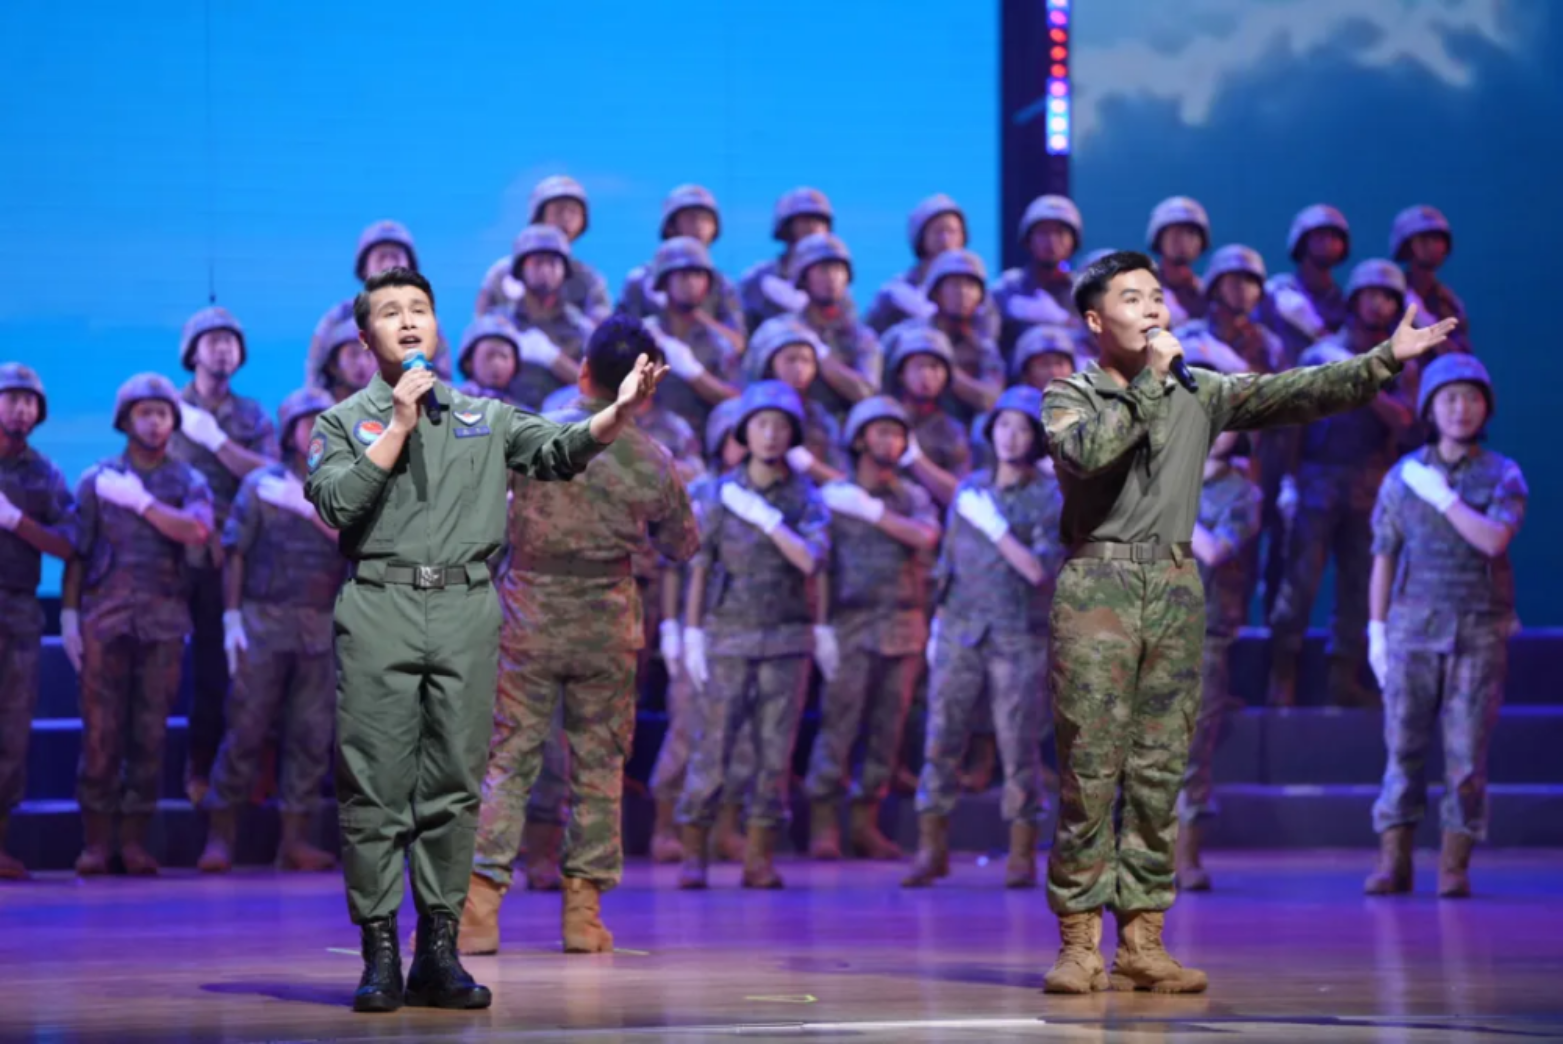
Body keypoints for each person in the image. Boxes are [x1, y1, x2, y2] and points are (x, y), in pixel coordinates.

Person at [1039, 250, 1458, 995]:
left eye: (1158, 295)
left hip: (1174, 584)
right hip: (1098, 583)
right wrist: (1152, 384)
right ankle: (1078, 942)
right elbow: (1087, 455)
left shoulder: (1199, 391)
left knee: (1159, 768)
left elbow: (1295, 391)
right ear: (1095, 320)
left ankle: (1142, 939)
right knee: (1090, 770)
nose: (1153, 308)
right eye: (1132, 298)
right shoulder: (1069, 395)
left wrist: (1384, 360)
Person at [303, 266, 666, 1013]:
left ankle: (439, 951)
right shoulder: (340, 422)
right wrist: (398, 425)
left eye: (420, 309)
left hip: (466, 605)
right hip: (381, 602)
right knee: (376, 785)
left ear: (438, 327)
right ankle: (380, 951)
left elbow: (562, 448)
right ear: (366, 337)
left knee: (455, 781)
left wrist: (616, 413)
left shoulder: (482, 416)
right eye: (391, 312)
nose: (409, 320)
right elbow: (337, 504)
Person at [463, 316, 698, 954]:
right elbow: (682, 544)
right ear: (645, 387)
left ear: (584, 370)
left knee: (507, 761)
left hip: (527, 617)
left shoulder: (530, 436)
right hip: (606, 623)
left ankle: (477, 913)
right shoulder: (652, 458)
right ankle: (582, 917)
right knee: (598, 766)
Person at [1365, 355, 1523, 899]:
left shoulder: (1502, 474)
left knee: (1465, 757)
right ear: (1430, 409)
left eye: (1472, 398)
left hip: (1478, 633)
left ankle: (1455, 864)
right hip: (1411, 632)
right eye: (1449, 398)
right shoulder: (1403, 476)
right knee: (1402, 751)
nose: (1461, 409)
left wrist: (1445, 498)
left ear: (1486, 408)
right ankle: (1394, 862)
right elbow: (1384, 555)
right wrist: (1376, 630)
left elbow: (1493, 540)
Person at [902, 385, 1062, 890]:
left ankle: (1022, 851)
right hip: (961, 630)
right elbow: (948, 563)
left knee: (1018, 745)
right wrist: (937, 624)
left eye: (1022, 428)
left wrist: (996, 529)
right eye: (1003, 426)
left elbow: (1039, 570)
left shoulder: (1049, 497)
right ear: (990, 432)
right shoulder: (971, 487)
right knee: (941, 737)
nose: (1011, 437)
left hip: (1018, 635)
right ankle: (932, 848)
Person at [676, 381, 830, 891]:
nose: (770, 434)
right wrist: (690, 632)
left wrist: (767, 520)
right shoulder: (716, 494)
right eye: (761, 424)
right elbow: (699, 567)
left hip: (785, 640)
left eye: (780, 425)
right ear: (744, 431)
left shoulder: (805, 498)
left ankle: (759, 857)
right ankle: (694, 851)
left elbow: (810, 560)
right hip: (728, 636)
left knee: (774, 753)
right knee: (712, 747)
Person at [63, 374, 214, 877]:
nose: (154, 422)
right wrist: (68, 616)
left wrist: (141, 503)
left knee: (149, 738)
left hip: (163, 623)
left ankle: (132, 842)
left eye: (163, 413)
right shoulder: (97, 479)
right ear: (125, 420)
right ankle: (96, 841)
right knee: (101, 736)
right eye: (144, 413)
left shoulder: (188, 480)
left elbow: (197, 530)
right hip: (104, 621)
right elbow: (78, 552)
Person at [198, 388, 343, 873]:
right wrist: (231, 617)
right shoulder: (260, 485)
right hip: (264, 621)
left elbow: (363, 546)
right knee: (246, 727)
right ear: (289, 433)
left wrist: (310, 509)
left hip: (321, 623)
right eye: (308, 423)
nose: (318, 431)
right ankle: (220, 837)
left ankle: (295, 840)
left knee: (311, 734)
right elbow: (235, 551)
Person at [1266, 259, 1416, 708]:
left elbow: (1405, 420)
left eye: (1387, 297)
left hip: (1369, 481)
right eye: (1371, 295)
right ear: (1353, 301)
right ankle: (1282, 672)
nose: (1379, 304)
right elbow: (1293, 423)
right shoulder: (1318, 356)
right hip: (1317, 478)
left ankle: (1343, 676)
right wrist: (1289, 480)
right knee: (1299, 582)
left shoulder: (1399, 362)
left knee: (1361, 584)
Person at [804, 396, 941, 861]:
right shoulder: (834, 498)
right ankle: (824, 823)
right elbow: (820, 567)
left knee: (888, 729)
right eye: (882, 432)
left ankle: (866, 822)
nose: (892, 441)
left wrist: (872, 512)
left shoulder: (910, 496)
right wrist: (821, 627)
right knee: (839, 725)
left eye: (898, 433)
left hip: (903, 622)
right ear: (861, 439)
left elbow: (925, 536)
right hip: (851, 621)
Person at [168, 306, 280, 805]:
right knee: (173, 673)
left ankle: (221, 770)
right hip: (170, 556)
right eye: (212, 341)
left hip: (230, 558)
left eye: (231, 342)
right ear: (192, 351)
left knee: (224, 668)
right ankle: (189, 768)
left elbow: (269, 475)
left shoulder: (250, 415)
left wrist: (216, 442)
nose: (222, 350)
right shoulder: (166, 408)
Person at [1170, 343, 1262, 892]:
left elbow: (1215, 550)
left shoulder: (1242, 493)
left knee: (1191, 742)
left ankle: (1187, 853)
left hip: (1200, 629)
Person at [0, 364, 78, 880]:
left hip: (18, 612)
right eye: (12, 398)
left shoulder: (44, 474)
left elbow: (70, 543)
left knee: (10, 732)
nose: (22, 409)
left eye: (30, 401)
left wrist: (16, 521)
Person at [307, 220, 449, 386]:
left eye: (395, 257)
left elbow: (443, 380)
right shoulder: (339, 317)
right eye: (381, 257)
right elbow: (315, 381)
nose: (388, 265)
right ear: (364, 269)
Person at [619, 185, 746, 351]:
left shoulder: (721, 285)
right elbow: (618, 339)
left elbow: (738, 345)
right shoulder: (640, 280)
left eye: (707, 219)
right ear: (671, 225)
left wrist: (694, 316)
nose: (700, 226)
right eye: (691, 218)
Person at [474, 175, 613, 324]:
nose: (566, 218)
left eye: (573, 212)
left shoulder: (587, 279)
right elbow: (482, 326)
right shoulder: (502, 275)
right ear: (538, 216)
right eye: (558, 210)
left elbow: (602, 328)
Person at [640, 236, 742, 434]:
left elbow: (736, 400)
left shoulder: (720, 342)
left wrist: (694, 373)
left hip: (704, 439)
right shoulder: (643, 333)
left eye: (699, 275)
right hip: (650, 437)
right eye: (683, 275)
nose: (693, 283)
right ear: (664, 282)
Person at [867, 194, 1000, 342]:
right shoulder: (895, 293)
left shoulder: (976, 290)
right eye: (938, 232)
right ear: (920, 237)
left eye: (952, 231)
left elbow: (988, 337)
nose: (945, 240)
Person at [486, 224, 591, 410]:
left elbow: (594, 389)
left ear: (564, 271)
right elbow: (478, 380)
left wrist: (552, 358)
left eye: (553, 263)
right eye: (537, 262)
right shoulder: (498, 321)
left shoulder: (580, 327)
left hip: (565, 420)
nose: (546, 270)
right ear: (520, 269)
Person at [742, 316, 848, 485]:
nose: (799, 369)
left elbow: (843, 482)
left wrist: (808, 465)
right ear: (769, 362)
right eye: (790, 360)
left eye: (806, 361)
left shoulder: (819, 418)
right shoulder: (743, 412)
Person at [788, 232, 883, 420]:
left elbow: (866, 394)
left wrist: (820, 353)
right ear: (804, 277)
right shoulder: (784, 330)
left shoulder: (861, 336)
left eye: (838, 269)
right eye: (823, 269)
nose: (832, 277)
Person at [990, 195, 1086, 362]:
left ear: (1073, 241)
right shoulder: (1005, 289)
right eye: (1043, 233)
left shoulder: (1085, 294)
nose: (1052, 241)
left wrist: (1064, 321)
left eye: (1060, 233)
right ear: (1028, 239)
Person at [1258, 204, 1351, 365]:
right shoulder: (1276, 293)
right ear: (1301, 241)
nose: (1328, 242)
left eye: (1335, 237)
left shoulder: (1345, 305)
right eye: (1320, 235)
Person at [737, 187, 834, 332]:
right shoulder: (758, 279)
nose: (813, 227)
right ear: (786, 227)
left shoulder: (834, 284)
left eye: (820, 222)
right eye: (805, 220)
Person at [1390, 204, 1470, 358]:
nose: (1433, 246)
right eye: (1424, 240)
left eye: (1438, 239)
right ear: (1407, 245)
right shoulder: (1390, 293)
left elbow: (1461, 358)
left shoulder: (1450, 304)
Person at [1146, 197, 1211, 329]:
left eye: (1191, 233)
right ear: (1158, 239)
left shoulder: (1209, 296)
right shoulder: (1140, 290)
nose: (1183, 240)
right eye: (1175, 232)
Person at [308, 318, 379, 403]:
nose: (362, 363)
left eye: (368, 355)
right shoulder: (314, 409)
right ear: (333, 365)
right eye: (353, 354)